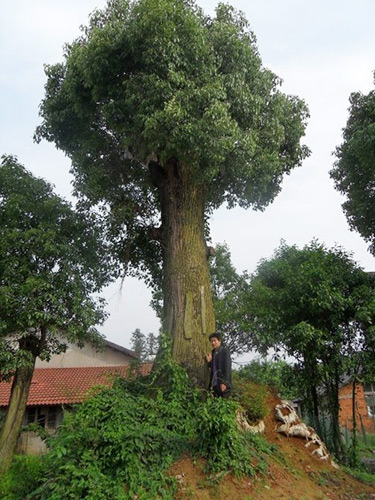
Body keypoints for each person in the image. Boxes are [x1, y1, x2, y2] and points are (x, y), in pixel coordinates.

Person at [205, 332, 232, 398]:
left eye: (214, 340)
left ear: (219, 341)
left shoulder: (224, 351)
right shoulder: (212, 353)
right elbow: (213, 368)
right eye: (211, 341)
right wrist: (209, 362)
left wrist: (224, 382)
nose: (213, 343)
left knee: (223, 405)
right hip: (214, 385)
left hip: (223, 384)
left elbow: (227, 368)